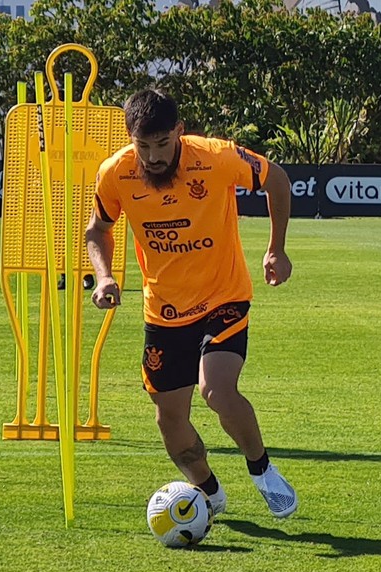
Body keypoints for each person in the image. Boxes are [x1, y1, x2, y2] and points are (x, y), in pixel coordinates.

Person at [85, 89, 298, 519]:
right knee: (169, 420)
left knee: (216, 389)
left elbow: (275, 178)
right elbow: (97, 231)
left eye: (162, 144)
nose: (153, 156)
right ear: (130, 139)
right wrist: (105, 275)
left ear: (179, 132)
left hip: (224, 296)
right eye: (142, 146)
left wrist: (276, 248)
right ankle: (209, 492)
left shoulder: (216, 157)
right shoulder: (115, 173)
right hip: (163, 309)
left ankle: (261, 469)